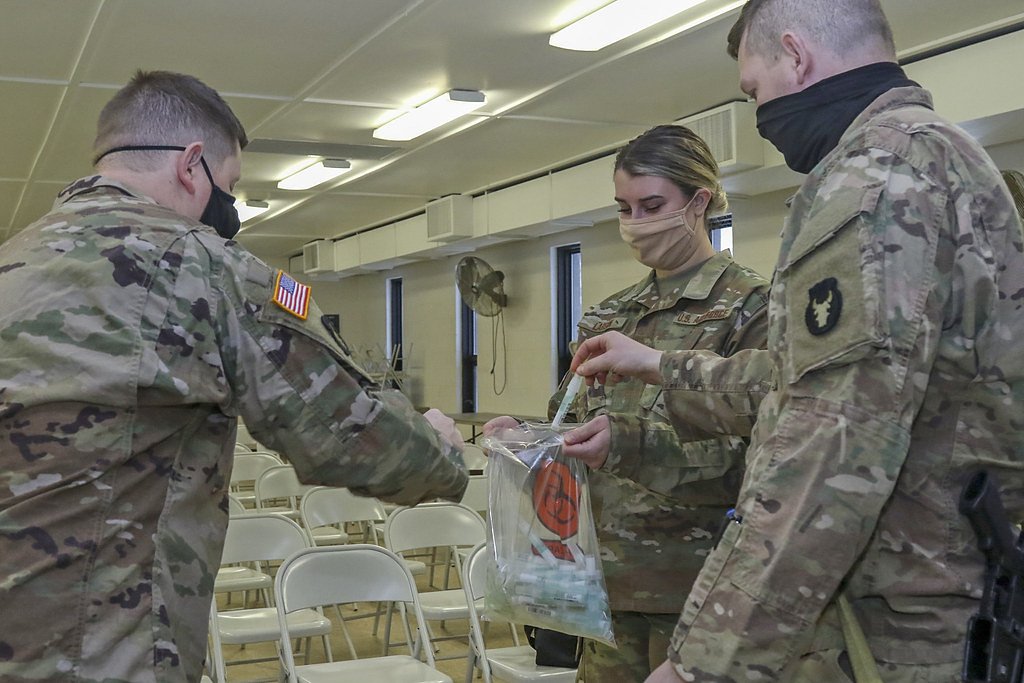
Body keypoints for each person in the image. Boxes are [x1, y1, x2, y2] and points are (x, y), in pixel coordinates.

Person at [569, 1, 1024, 681]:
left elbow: (830, 438)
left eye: (753, 88)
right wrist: (661, 364)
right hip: (940, 601)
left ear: (795, 54)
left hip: (902, 622)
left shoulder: (873, 174)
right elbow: (803, 381)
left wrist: (705, 658)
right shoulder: (939, 153)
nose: (760, 111)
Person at [0, 70, 467, 683]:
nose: (231, 205)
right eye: (232, 184)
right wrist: (445, 452)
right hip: (108, 643)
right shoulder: (207, 268)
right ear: (193, 165)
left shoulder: (14, 261)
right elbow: (346, 433)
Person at [485, 124, 769, 681]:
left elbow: (759, 460)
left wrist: (630, 445)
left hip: (698, 584)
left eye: (652, 205)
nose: (635, 224)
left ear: (699, 201)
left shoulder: (750, 307)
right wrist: (528, 438)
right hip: (602, 581)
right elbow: (570, 423)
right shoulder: (610, 315)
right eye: (625, 207)